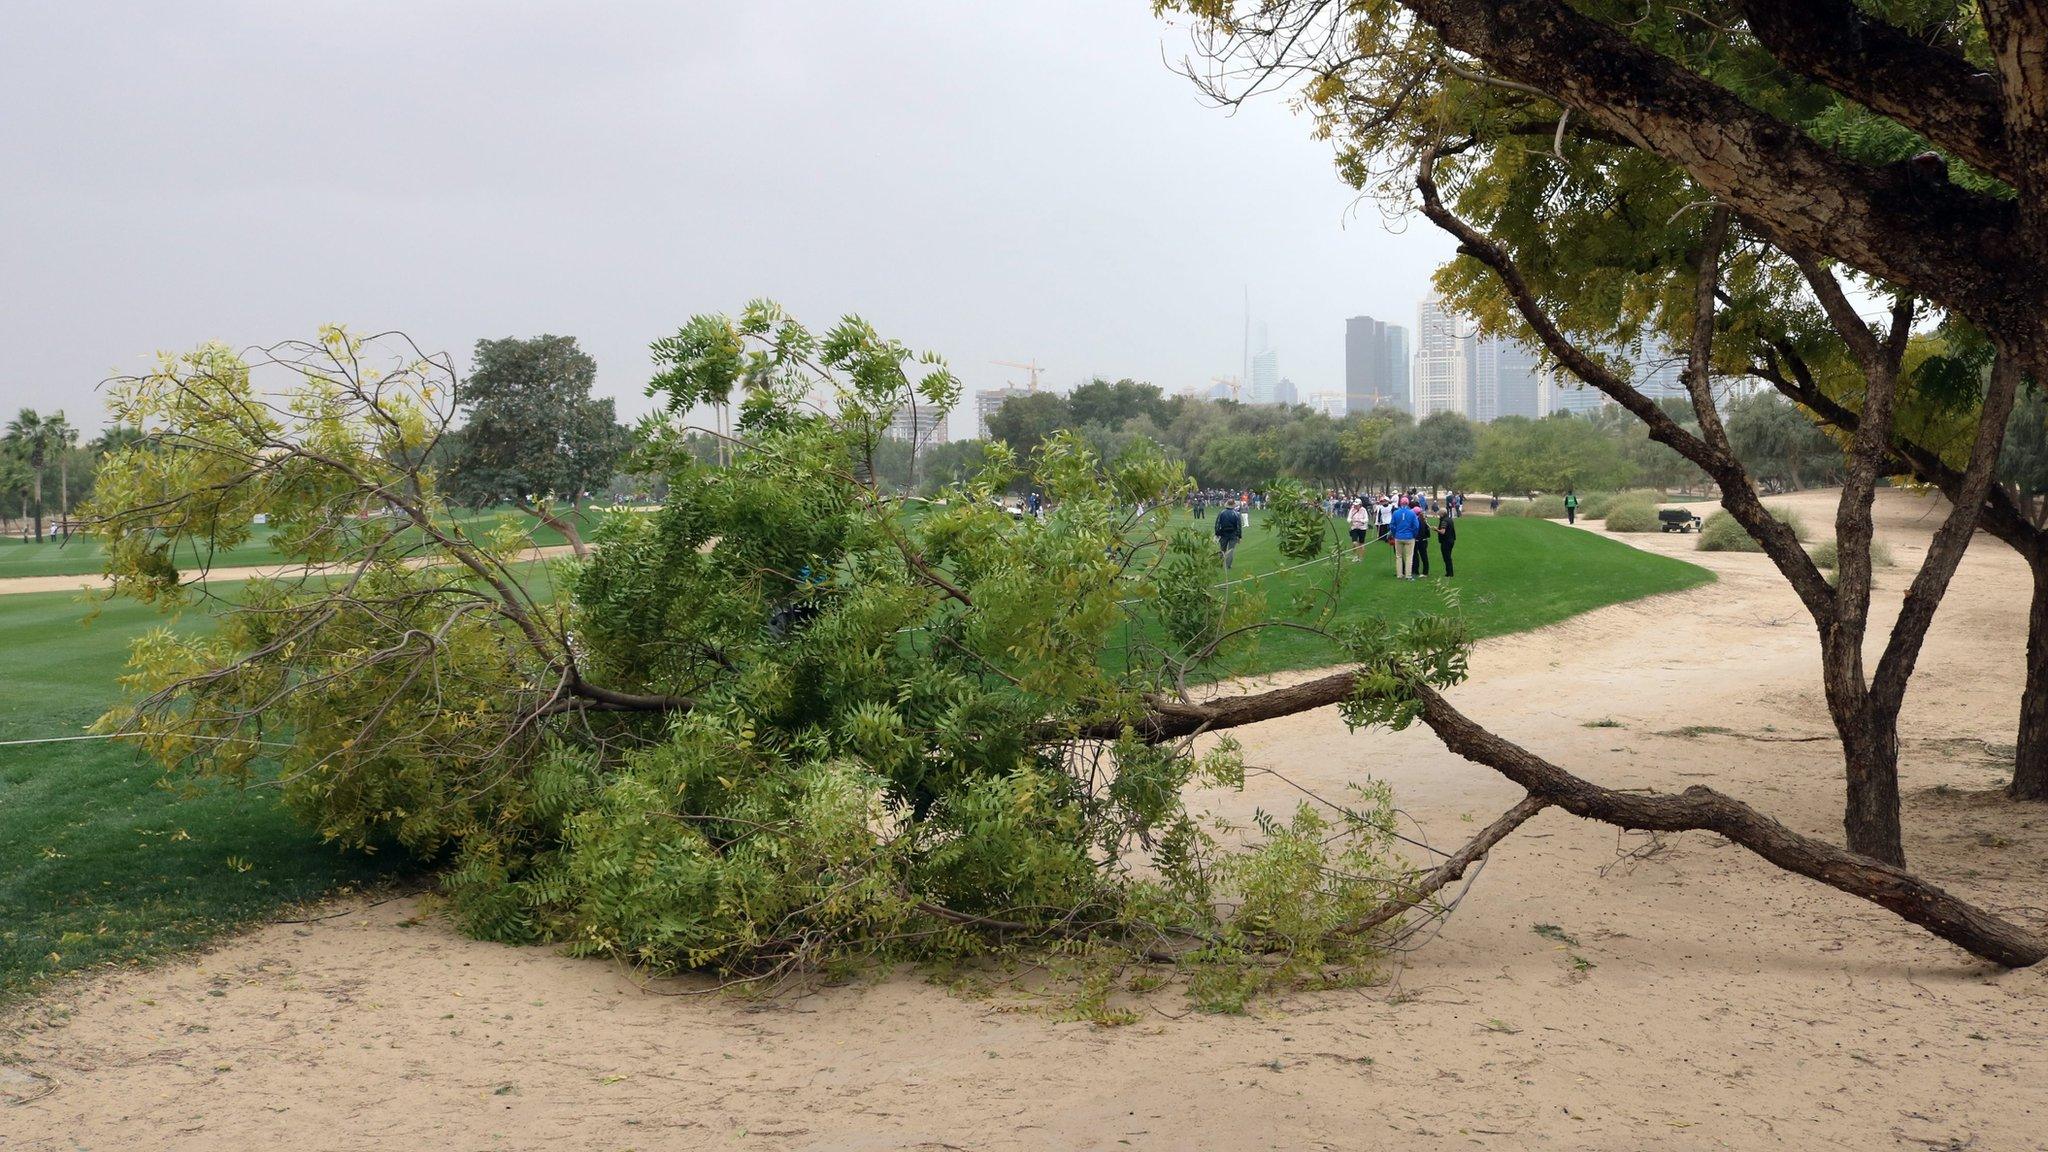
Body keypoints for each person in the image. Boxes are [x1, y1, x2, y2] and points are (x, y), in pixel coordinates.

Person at [1390, 497, 1420, 579]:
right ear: (1408, 503)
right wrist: (1414, 534)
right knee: (1409, 556)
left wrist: (1395, 534)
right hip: (1409, 537)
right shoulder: (1412, 513)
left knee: (1398, 556)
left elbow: (1392, 525)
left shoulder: (1395, 513)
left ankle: (1399, 574)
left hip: (1398, 536)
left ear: (1400, 503)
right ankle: (1408, 575)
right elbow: (1416, 526)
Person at [1214, 499, 1244, 570]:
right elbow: (1239, 526)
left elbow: (1217, 524)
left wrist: (1217, 533)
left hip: (1223, 533)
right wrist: (1239, 536)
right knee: (1231, 550)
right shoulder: (1236, 514)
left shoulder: (1222, 513)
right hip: (1233, 534)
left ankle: (1219, 564)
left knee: (1222, 549)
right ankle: (1228, 566)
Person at [1347, 497, 1372, 563]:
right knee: (1354, 542)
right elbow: (1348, 518)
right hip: (1354, 528)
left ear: (1360, 505)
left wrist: (1360, 520)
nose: (1355, 506)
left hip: (1362, 528)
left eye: (1357, 505)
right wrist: (1350, 520)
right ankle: (1355, 556)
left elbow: (1366, 519)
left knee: (1361, 544)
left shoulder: (1364, 510)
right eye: (1355, 505)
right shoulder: (1352, 510)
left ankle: (1360, 557)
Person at [1437, 508, 1456, 578]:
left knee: (1446, 557)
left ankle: (1450, 573)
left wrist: (1436, 529)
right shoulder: (1449, 519)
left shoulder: (1444, 521)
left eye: (1439, 513)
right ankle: (1449, 572)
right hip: (1451, 540)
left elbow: (1443, 531)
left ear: (1442, 514)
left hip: (1446, 542)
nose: (1438, 515)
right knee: (1448, 557)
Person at [1414, 506, 1433, 576]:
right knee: (1424, 556)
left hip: (1417, 540)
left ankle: (1415, 571)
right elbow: (1428, 533)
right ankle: (1425, 571)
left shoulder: (1416, 520)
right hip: (1424, 541)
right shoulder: (1424, 521)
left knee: (1415, 556)